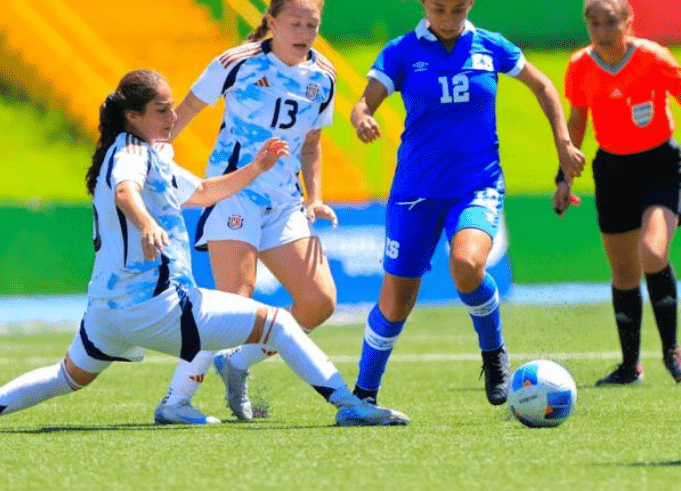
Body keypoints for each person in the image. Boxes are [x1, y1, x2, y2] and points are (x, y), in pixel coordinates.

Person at [0, 70, 408, 427]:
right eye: (161, 110)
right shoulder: (130, 152)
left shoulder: (142, 154)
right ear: (133, 116)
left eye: (171, 107)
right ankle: (348, 404)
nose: (172, 116)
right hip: (158, 306)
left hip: (107, 310)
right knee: (278, 324)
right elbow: (126, 191)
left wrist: (256, 168)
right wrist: (146, 224)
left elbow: (205, 191)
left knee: (65, 377)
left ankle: (176, 403)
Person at [349, 0, 586, 408]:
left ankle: (494, 353)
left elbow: (543, 87)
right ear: (423, 3)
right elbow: (364, 104)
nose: (449, 20)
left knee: (467, 266)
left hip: (476, 184)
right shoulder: (400, 52)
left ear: (470, 3)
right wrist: (362, 119)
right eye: (439, 10)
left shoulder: (490, 46)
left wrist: (562, 143)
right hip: (415, 189)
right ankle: (364, 392)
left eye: (458, 10)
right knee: (396, 303)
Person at [154, 0, 343, 424]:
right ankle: (175, 402)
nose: (303, 32)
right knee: (234, 300)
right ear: (273, 22)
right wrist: (152, 164)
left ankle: (236, 363)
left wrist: (314, 198)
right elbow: (180, 115)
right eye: (294, 23)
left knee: (319, 303)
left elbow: (312, 145)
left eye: (312, 25)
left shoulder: (324, 76)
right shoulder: (236, 63)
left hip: (284, 204)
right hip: (233, 192)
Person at [552, 0, 681, 387]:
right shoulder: (579, 66)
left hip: (660, 164)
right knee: (624, 271)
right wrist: (564, 177)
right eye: (595, 22)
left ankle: (672, 353)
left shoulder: (652, 57)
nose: (603, 30)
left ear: (628, 23)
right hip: (612, 171)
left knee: (652, 252)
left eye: (611, 22)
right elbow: (577, 121)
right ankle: (630, 366)